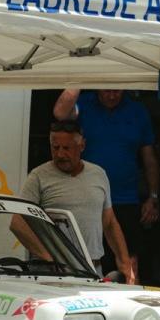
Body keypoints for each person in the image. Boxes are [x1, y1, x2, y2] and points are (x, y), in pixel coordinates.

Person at [53, 89, 159, 279]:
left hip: (125, 198)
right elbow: (60, 113)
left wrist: (153, 196)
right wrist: (82, 79)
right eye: (107, 91)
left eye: (117, 91)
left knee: (129, 260)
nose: (112, 96)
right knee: (88, 257)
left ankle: (130, 300)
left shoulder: (137, 110)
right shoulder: (84, 104)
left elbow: (149, 158)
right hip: (88, 198)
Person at [14, 120, 137, 285]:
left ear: (82, 146)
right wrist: (47, 257)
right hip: (51, 274)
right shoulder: (38, 176)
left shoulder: (98, 174)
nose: (60, 154)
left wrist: (124, 262)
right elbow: (17, 223)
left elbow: (109, 223)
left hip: (93, 269)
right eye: (55, 147)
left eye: (66, 148)